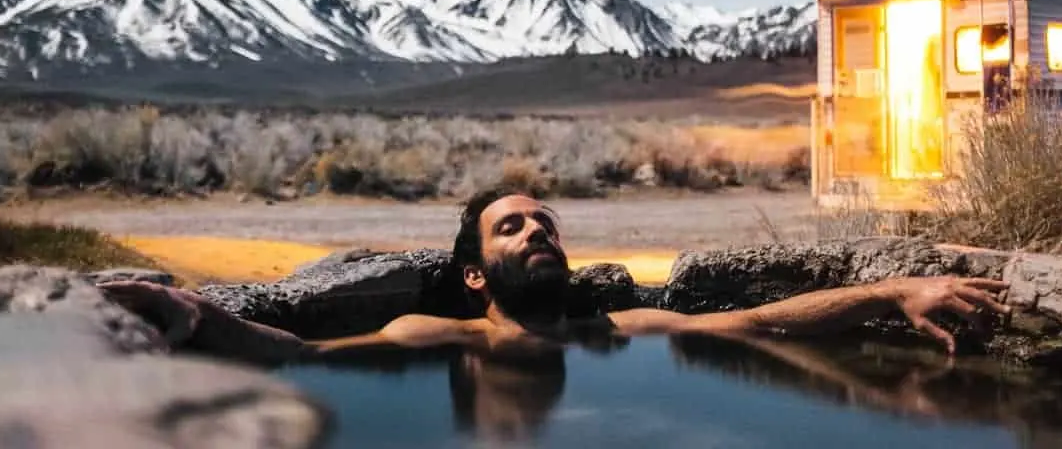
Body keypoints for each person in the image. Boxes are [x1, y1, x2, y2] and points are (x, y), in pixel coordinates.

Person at [98, 184, 1012, 366]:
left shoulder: (621, 334)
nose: (537, 229)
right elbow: (297, 353)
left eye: (545, 222)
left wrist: (895, 291)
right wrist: (188, 308)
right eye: (511, 225)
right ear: (472, 277)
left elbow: (772, 319)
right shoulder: (430, 338)